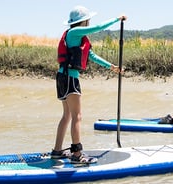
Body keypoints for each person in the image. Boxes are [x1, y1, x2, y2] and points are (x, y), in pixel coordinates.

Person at [52, 5, 126, 164]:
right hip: (70, 78)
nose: (89, 22)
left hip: (62, 77)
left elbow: (91, 56)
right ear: (83, 21)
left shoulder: (76, 37)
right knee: (76, 116)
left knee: (66, 116)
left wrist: (111, 66)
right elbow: (98, 28)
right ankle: (77, 155)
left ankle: (57, 151)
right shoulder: (74, 32)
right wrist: (117, 19)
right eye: (88, 20)